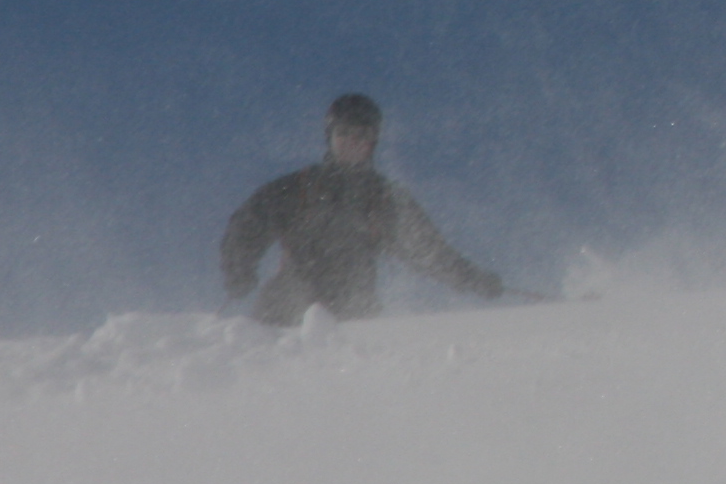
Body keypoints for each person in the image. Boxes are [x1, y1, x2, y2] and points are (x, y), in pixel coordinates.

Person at [219, 93, 515, 325]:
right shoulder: (297, 188)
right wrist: (238, 270)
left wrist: (474, 279)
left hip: (353, 317)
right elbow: (247, 224)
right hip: (283, 313)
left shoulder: (385, 199)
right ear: (330, 136)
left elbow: (430, 252)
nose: (352, 142)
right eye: (344, 133)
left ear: (373, 142)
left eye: (361, 135)